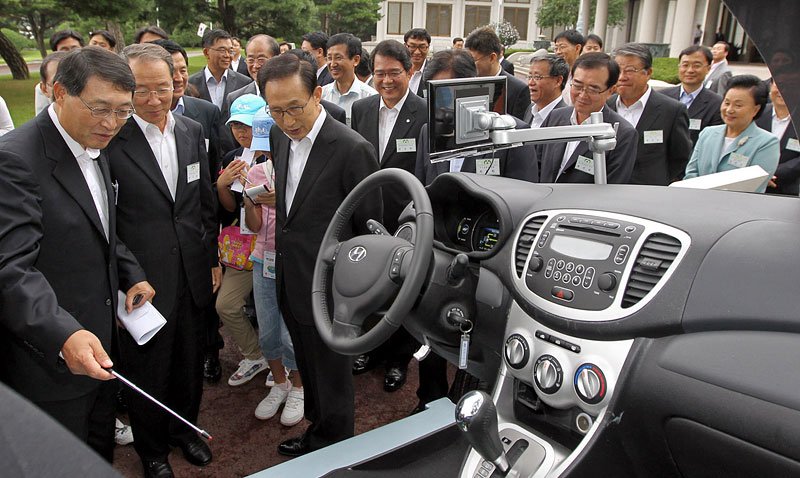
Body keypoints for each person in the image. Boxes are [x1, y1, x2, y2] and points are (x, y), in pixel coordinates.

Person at [0, 46, 154, 462]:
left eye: (124, 112)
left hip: (100, 348)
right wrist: (62, 334)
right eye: (101, 108)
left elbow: (98, 226)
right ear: (59, 93)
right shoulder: (13, 160)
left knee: (97, 453)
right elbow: (10, 271)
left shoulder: (93, 141)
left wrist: (129, 272)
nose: (112, 124)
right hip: (48, 363)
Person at [260, 53, 382, 457]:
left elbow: (369, 228)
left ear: (317, 94)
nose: (287, 121)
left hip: (332, 287)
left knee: (331, 373)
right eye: (276, 111)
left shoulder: (352, 149)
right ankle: (318, 430)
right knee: (309, 366)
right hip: (290, 274)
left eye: (295, 108)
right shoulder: (278, 137)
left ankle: (336, 447)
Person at [108, 43, 218, 477]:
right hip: (142, 280)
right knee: (147, 369)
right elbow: (107, 222)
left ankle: (184, 430)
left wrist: (210, 259)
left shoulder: (191, 130)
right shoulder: (112, 141)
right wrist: (125, 276)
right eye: (141, 91)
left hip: (192, 272)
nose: (155, 100)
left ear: (177, 83)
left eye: (164, 88)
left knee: (190, 361)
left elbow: (203, 201)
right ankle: (152, 450)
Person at [350, 39, 427, 392]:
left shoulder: (425, 112)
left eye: (394, 72)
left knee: (404, 292)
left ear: (409, 72)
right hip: (368, 215)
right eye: (379, 73)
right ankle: (371, 348)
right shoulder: (362, 109)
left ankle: (398, 359)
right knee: (370, 286)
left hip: (407, 218)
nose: (386, 80)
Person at [154, 38, 227, 383]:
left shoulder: (199, 119)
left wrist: (211, 253)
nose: (179, 78)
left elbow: (207, 190)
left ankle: (209, 353)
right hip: (152, 263)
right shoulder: (120, 136)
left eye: (183, 70)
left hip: (197, 242)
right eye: (173, 72)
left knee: (199, 325)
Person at [244, 108, 305, 426]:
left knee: (291, 331)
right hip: (261, 258)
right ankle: (279, 383)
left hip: (292, 260)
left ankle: (298, 386)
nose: (266, 150)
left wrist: (279, 202)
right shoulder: (255, 174)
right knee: (268, 330)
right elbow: (253, 226)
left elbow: (305, 220)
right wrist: (249, 201)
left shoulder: (297, 172)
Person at [415, 49, 540, 185]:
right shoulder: (429, 132)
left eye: (446, 91)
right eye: (434, 93)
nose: (440, 102)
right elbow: (422, 189)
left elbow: (524, 196)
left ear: (470, 85)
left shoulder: (512, 134)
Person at [215, 94, 270, 388]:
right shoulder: (231, 158)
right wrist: (223, 185)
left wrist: (256, 184)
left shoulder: (276, 154)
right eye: (236, 125)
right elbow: (226, 207)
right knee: (226, 305)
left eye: (248, 126)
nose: (242, 132)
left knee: (273, 308)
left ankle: (284, 363)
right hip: (241, 246)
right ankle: (255, 354)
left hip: (272, 245)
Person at [537, 52, 638, 184]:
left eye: (593, 89)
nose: (583, 95)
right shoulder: (555, 117)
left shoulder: (622, 133)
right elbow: (536, 164)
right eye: (577, 86)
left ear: (611, 91)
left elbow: (614, 186)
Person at [607, 43, 692, 185]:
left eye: (630, 70)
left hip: (649, 192)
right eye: (617, 70)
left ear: (648, 73)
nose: (622, 77)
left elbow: (680, 158)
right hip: (608, 189)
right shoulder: (605, 107)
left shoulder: (672, 110)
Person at [684, 74, 780, 193]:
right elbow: (691, 173)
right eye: (727, 103)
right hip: (697, 202)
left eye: (738, 105)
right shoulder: (707, 133)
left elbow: (754, 185)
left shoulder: (767, 143)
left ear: (756, 109)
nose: (729, 110)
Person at [221, 34, 281, 153]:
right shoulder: (235, 98)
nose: (255, 65)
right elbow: (232, 144)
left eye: (261, 59)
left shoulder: (287, 95)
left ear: (277, 59)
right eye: (251, 59)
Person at [659, 45, 723, 147]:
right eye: (685, 65)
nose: (690, 70)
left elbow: (713, 141)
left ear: (708, 69)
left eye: (696, 66)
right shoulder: (661, 97)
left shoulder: (717, 104)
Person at [465, 27, 531, 121]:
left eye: (473, 61)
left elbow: (520, 129)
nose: (469, 65)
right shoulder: (465, 83)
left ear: (492, 58)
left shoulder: (518, 90)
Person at [188, 29, 253, 110]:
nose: (227, 55)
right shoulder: (190, 84)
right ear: (206, 52)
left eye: (230, 51)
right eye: (222, 50)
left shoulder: (244, 83)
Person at [321, 33, 377, 125]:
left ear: (355, 60)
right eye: (329, 58)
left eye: (338, 58)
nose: (332, 64)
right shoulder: (321, 95)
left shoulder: (370, 97)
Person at [758, 80, 800, 195]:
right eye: (779, 85)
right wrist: (757, 175)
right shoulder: (757, 113)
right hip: (754, 187)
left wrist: (771, 174)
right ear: (771, 86)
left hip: (789, 190)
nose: (784, 90)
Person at [524, 53, 568, 128]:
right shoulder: (530, 109)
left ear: (558, 81)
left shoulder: (566, 119)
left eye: (537, 77)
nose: (531, 83)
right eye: (530, 76)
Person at [553, 29, 586, 106]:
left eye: (562, 47)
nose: (558, 52)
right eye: (556, 48)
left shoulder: (585, 74)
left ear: (577, 48)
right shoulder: (555, 73)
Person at [405, 28, 431, 96]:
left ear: (428, 47)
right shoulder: (397, 70)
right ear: (405, 46)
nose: (417, 52)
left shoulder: (434, 74)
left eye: (422, 47)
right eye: (412, 46)